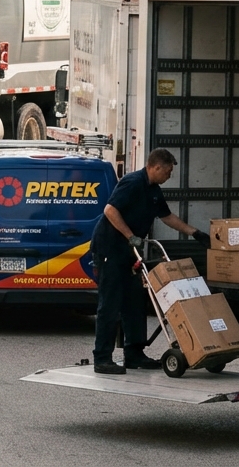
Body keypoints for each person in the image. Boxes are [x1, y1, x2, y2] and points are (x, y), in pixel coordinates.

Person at [90, 147, 210, 374]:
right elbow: (110, 210)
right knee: (110, 304)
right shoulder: (133, 183)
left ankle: (134, 354)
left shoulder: (154, 190)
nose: (170, 176)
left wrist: (194, 232)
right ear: (156, 167)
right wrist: (130, 236)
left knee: (135, 302)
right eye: (168, 171)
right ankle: (102, 358)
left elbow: (167, 217)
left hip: (129, 251)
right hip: (111, 248)